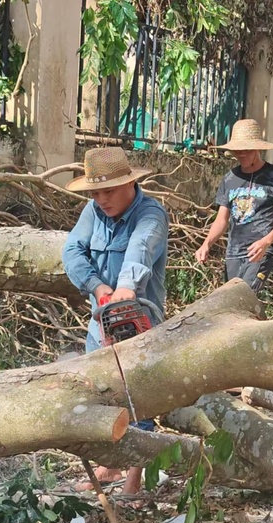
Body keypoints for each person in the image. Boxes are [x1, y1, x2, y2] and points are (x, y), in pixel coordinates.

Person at [62, 146, 168, 495]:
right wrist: (98, 286)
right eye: (95, 192)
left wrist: (124, 289)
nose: (101, 199)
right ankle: (109, 466)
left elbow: (140, 249)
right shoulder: (93, 212)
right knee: (104, 395)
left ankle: (134, 482)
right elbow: (72, 250)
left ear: (129, 185)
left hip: (139, 321)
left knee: (140, 400)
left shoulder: (151, 214)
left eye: (108, 191)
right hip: (100, 324)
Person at [196, 119, 273, 293]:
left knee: (244, 295)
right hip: (234, 253)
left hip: (261, 251)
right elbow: (221, 219)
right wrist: (206, 244)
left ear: (257, 148)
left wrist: (266, 242)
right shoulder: (229, 179)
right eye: (237, 151)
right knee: (230, 303)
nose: (241, 155)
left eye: (246, 151)